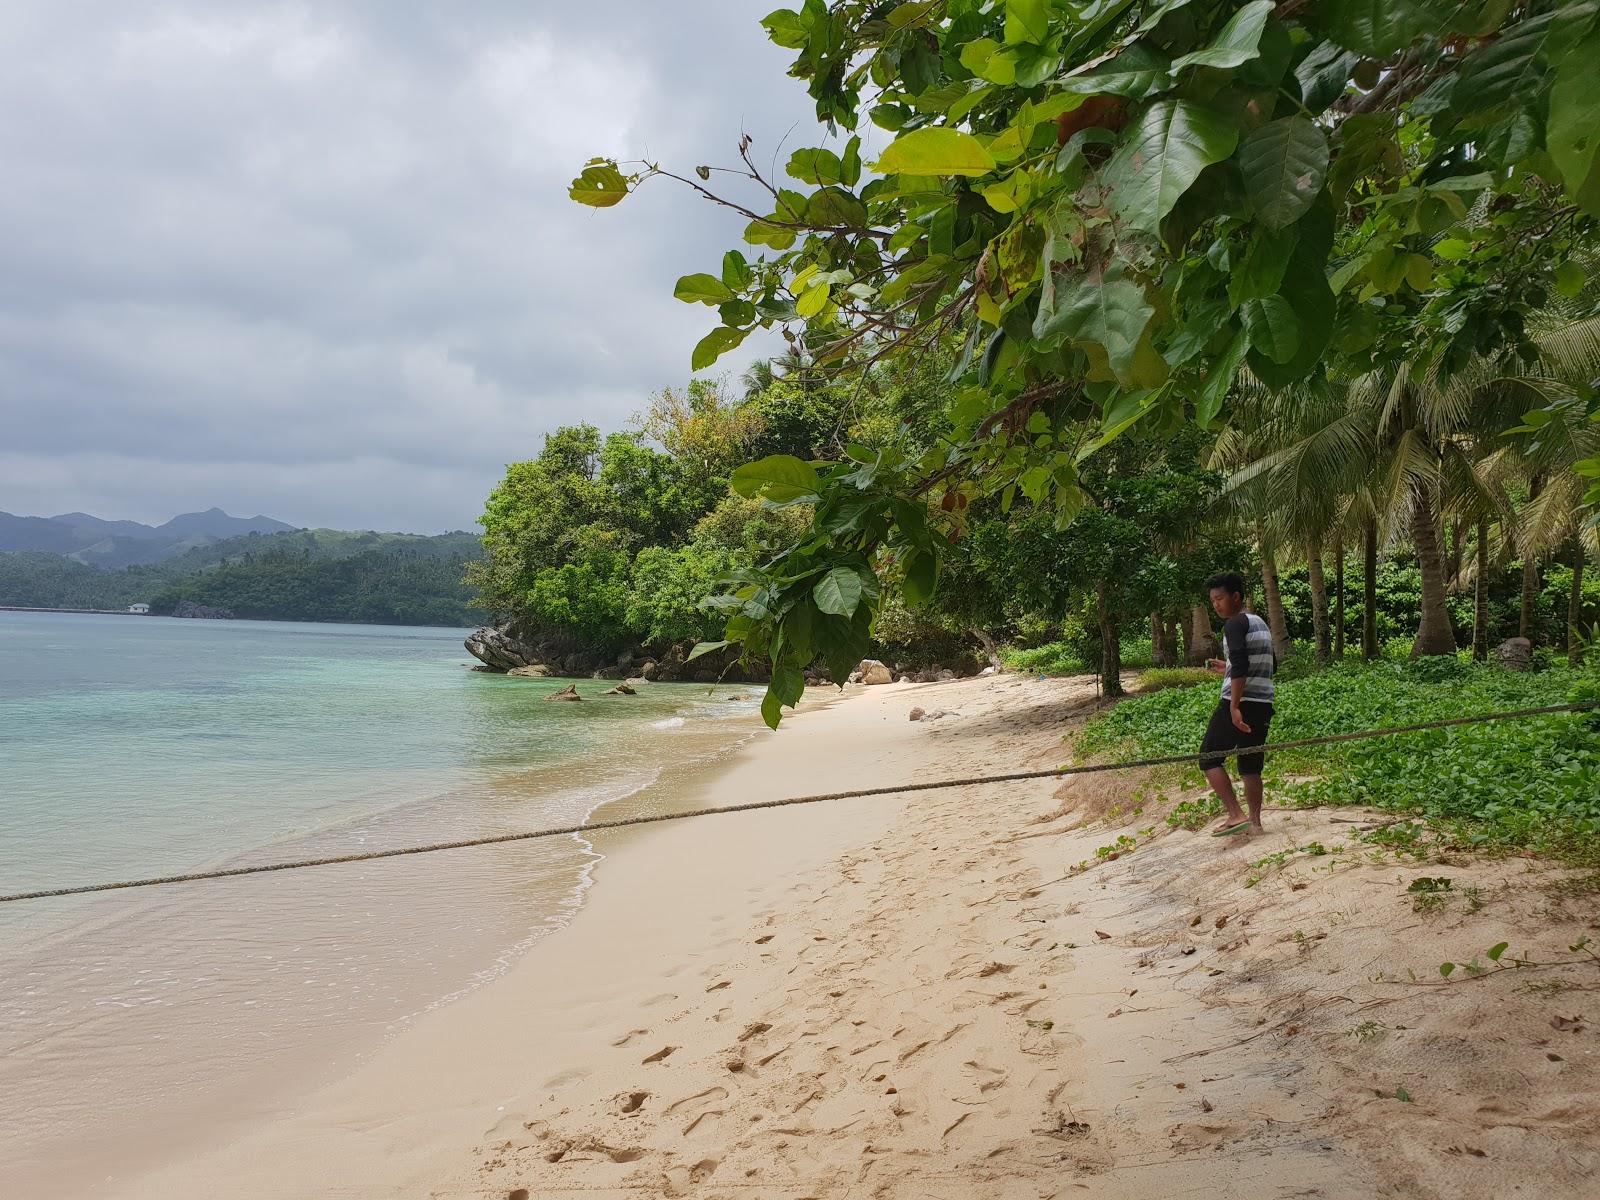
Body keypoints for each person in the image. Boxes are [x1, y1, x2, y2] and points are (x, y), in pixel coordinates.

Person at [1198, 571, 1276, 837]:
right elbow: (1266, 664)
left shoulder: (1233, 624)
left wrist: (1234, 705)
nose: (1217, 605)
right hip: (1264, 703)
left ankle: (1235, 814)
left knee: (1208, 756)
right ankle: (1254, 822)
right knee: (1250, 763)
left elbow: (1242, 664)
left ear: (1236, 596)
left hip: (1241, 703)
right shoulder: (1259, 623)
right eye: (1213, 601)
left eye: (1220, 598)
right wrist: (1227, 667)